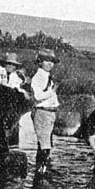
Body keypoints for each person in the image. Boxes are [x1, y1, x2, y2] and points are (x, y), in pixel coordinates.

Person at [31, 48, 60, 181]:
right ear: (40, 62)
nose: (49, 64)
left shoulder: (46, 76)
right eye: (46, 61)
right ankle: (41, 173)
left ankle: (41, 170)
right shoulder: (39, 76)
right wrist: (52, 91)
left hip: (49, 112)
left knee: (45, 143)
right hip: (43, 112)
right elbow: (37, 96)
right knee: (45, 144)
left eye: (52, 61)